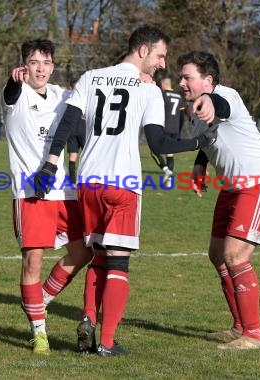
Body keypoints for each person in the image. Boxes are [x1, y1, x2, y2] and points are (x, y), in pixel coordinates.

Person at [34, 25, 218, 357]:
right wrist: (198, 141)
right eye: (161, 55)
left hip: (88, 182)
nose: (163, 64)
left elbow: (67, 124)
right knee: (118, 264)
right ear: (143, 49)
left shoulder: (91, 76)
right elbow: (159, 143)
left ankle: (88, 322)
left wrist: (49, 163)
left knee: (99, 258)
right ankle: (106, 342)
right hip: (123, 184)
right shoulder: (149, 91)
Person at [178, 51, 260, 350]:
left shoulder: (225, 96)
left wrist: (210, 99)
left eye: (188, 77)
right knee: (217, 253)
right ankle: (239, 327)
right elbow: (211, 137)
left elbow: (220, 107)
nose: (182, 82)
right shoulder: (194, 108)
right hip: (231, 185)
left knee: (236, 255)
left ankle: (254, 335)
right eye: (181, 77)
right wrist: (200, 164)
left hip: (259, 181)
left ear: (208, 81)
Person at [2, 38, 94, 355]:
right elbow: (11, 91)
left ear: (53, 66)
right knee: (33, 261)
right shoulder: (15, 95)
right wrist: (12, 80)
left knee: (83, 253)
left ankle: (40, 301)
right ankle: (39, 333)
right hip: (31, 191)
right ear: (24, 66)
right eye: (33, 62)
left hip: (63, 191)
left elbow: (89, 99)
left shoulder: (61, 95)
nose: (40, 69)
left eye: (46, 63)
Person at [150, 76, 185, 187]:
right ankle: (169, 181)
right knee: (170, 154)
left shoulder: (162, 95)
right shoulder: (179, 96)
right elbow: (182, 117)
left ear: (164, 84)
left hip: (164, 128)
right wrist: (179, 132)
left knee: (153, 151)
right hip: (175, 129)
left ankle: (166, 170)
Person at [64, 79, 86, 184]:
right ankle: (80, 180)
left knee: (73, 157)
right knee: (86, 156)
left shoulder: (68, 98)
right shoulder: (84, 97)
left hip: (73, 131)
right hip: (81, 130)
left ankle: (73, 182)